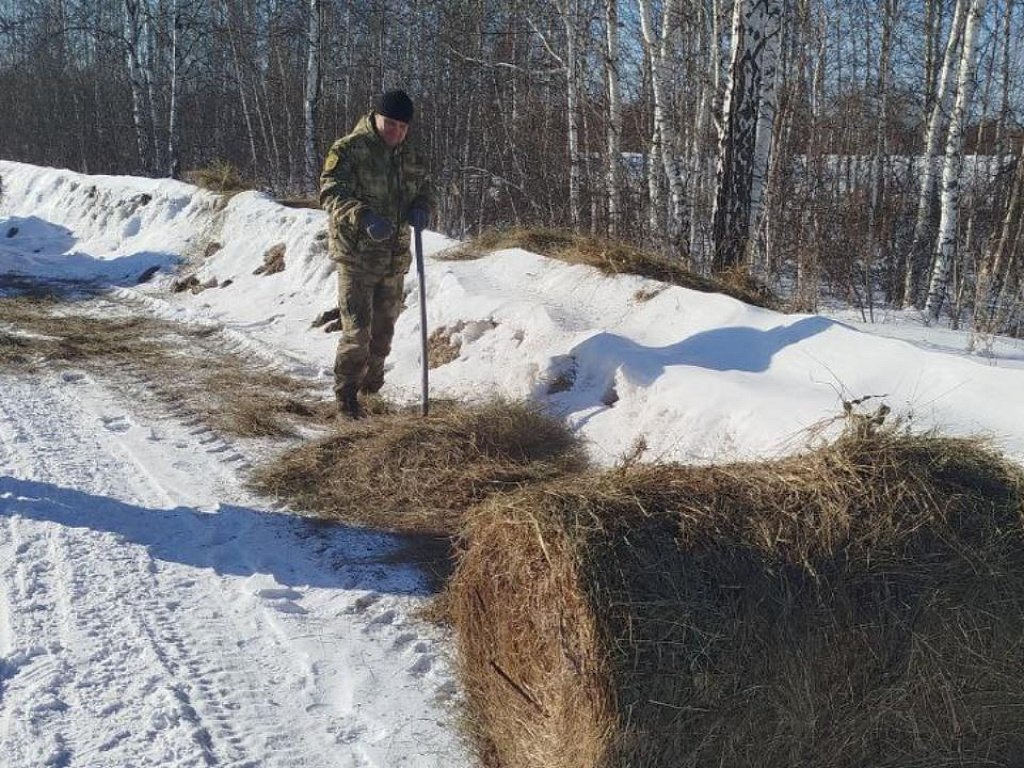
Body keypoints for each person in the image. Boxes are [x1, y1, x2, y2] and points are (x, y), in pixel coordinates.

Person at [319, 89, 434, 419]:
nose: (396, 132)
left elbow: (425, 188)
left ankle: (370, 392)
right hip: (357, 258)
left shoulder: (410, 154)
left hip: (394, 259)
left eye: (402, 126)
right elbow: (330, 192)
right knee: (358, 334)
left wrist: (423, 208)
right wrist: (363, 215)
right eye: (390, 124)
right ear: (375, 117)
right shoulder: (349, 149)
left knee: (384, 334)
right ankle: (346, 401)